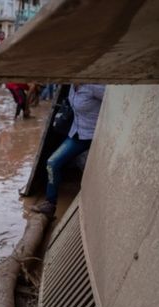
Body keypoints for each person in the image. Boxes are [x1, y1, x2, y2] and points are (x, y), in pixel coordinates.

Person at [31, 84, 106, 216]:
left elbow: (112, 101)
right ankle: (50, 203)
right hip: (77, 134)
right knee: (52, 163)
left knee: (96, 173)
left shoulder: (94, 87)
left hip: (95, 135)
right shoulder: (72, 86)